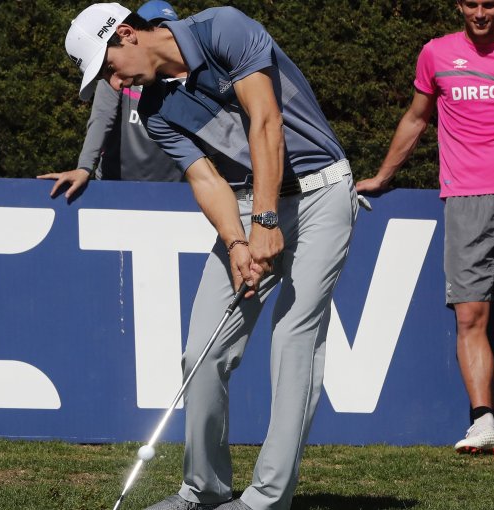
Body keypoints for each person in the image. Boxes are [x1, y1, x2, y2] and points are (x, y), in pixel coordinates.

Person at [65, 4, 358, 509]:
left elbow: (267, 121)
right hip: (248, 203)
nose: (113, 83)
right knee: (202, 348)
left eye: (109, 67)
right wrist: (237, 242)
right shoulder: (155, 110)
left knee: (294, 339)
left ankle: (266, 499)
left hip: (321, 192)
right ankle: (202, 491)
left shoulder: (223, 28)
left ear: (128, 35)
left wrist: (265, 221)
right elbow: (206, 178)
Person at [356, 0, 494, 455]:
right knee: (470, 316)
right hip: (464, 198)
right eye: (471, 3)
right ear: (459, 5)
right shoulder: (435, 54)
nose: (480, 13)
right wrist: (382, 176)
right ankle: (481, 420)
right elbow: (416, 118)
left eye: (489, 4)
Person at [39, 2, 183, 198]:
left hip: (171, 191)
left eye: (165, 28)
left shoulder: (184, 77)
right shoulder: (118, 75)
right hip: (116, 187)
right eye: (152, 26)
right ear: (136, 32)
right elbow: (101, 118)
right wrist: (84, 167)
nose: (158, 33)